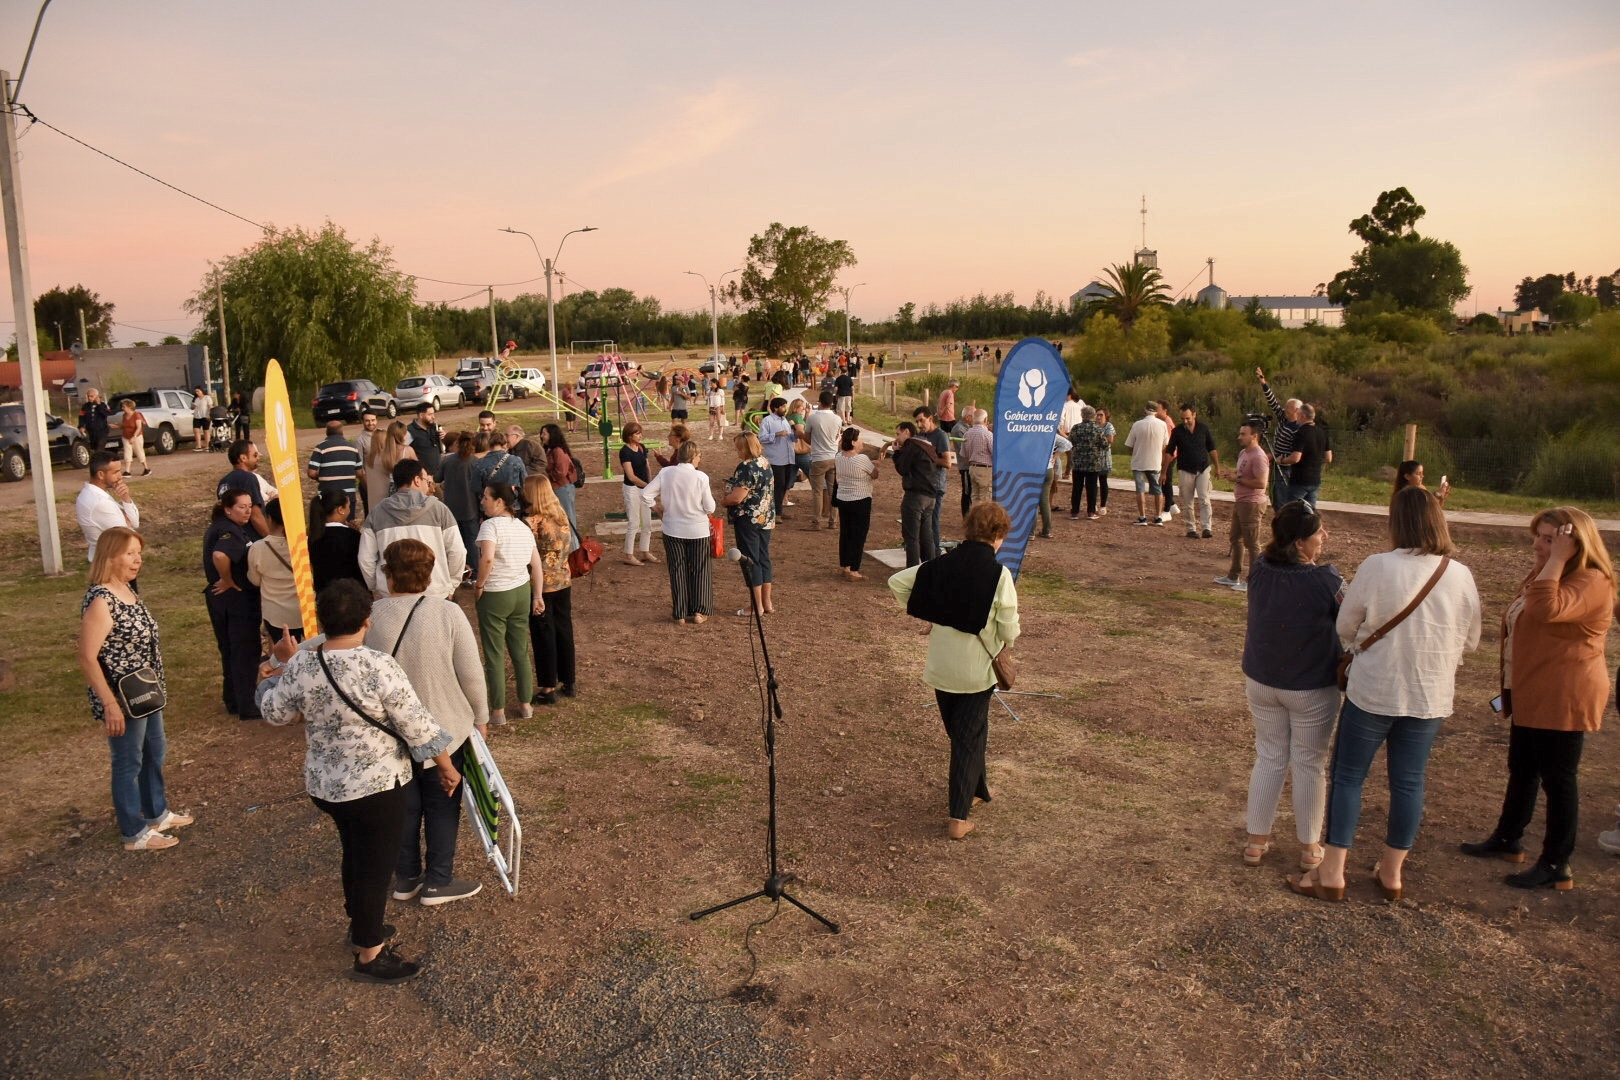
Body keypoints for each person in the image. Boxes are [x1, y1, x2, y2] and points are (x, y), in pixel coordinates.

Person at [256, 579, 459, 983]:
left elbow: (274, 713)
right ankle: (370, 953)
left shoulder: (302, 662)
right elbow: (416, 724)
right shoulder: (378, 666)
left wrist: (276, 666)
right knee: (374, 867)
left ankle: (361, 924)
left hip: (327, 785)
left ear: (323, 621)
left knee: (355, 852)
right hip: (376, 785)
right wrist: (447, 766)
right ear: (366, 621)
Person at [1289, 487, 1481, 902]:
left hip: (1376, 689)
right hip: (1429, 694)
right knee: (1409, 782)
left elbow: (1345, 625)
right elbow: (1471, 641)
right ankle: (1392, 872)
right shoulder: (1460, 574)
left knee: (1349, 777)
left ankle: (1334, 870)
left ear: (1398, 522)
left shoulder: (1378, 566)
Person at [1461, 507, 1616, 890]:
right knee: (1523, 768)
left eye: (1550, 539)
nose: (1539, 545)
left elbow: (1545, 609)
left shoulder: (1591, 580)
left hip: (1564, 694)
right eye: (1540, 537)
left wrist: (1557, 560)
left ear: (1575, 544)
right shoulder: (1550, 573)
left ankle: (1556, 863)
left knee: (1559, 780)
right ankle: (1508, 837)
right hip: (1533, 690)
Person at [363, 539, 488, 908]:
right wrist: (480, 718)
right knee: (443, 802)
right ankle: (439, 879)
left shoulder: (373, 615)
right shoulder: (448, 613)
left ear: (388, 574)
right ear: (430, 572)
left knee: (404, 804)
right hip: (445, 727)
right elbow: (471, 674)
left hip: (390, 732)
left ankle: (406, 876)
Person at [888, 501, 1021, 840]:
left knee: (967, 733)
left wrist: (933, 611)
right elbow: (1009, 629)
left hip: (942, 667)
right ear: (999, 535)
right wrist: (1005, 637)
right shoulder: (999, 575)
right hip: (976, 671)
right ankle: (958, 818)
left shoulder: (941, 564)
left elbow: (897, 583)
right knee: (967, 738)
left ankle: (978, 790)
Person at [1239, 501, 1343, 871]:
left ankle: (1256, 841)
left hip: (1262, 679)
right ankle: (1309, 847)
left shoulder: (1261, 569)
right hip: (1309, 685)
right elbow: (1349, 620)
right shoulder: (1326, 580)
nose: (1324, 537)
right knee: (1309, 762)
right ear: (1300, 543)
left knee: (1269, 755)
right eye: (1318, 532)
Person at [79, 526, 192, 852]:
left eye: (138, 553)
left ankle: (156, 812)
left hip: (146, 693)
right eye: (130, 554)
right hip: (123, 698)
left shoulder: (127, 590)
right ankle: (134, 832)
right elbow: (87, 657)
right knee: (128, 762)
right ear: (110, 557)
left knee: (155, 751)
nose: (137, 559)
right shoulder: (101, 599)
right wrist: (110, 704)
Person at [475, 481, 544, 725]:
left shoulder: (489, 526)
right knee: (520, 649)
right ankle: (526, 704)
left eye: (485, 497)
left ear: (499, 502)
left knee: (494, 653)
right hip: (521, 592)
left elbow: (488, 558)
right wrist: (538, 595)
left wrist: (480, 584)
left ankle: (498, 710)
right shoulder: (523, 526)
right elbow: (536, 564)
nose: (482, 501)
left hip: (496, 593)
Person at [360, 459, 467, 600]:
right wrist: (452, 585)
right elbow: (457, 551)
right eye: (426, 481)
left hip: (391, 593)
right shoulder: (440, 510)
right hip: (434, 591)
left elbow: (365, 558)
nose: (428, 485)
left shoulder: (376, 513)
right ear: (417, 480)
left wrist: (378, 586)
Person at [204, 488, 263, 720]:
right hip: (236, 601)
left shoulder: (225, 526)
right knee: (244, 651)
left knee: (229, 650)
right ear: (228, 509)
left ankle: (233, 700)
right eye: (242, 507)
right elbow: (220, 555)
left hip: (222, 601)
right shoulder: (229, 530)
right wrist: (228, 579)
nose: (248, 511)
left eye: (250, 506)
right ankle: (247, 705)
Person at [642, 440, 716, 624]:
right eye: (699, 456)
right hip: (697, 530)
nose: (700, 460)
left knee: (677, 570)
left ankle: (680, 613)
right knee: (700, 570)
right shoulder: (701, 477)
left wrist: (657, 509)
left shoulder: (666, 472)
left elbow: (646, 494)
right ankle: (700, 611)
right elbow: (709, 506)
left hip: (672, 528)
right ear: (693, 457)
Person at [521, 475, 580, 699]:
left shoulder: (531, 522)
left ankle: (548, 685)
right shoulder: (560, 515)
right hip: (563, 579)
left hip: (540, 584)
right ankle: (569, 679)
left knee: (543, 633)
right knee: (564, 629)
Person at [722, 431, 776, 615]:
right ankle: (767, 602)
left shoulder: (746, 467)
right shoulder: (764, 462)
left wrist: (725, 500)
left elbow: (737, 497)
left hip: (748, 518)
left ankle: (755, 605)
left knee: (750, 560)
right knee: (763, 558)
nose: (736, 451)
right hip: (765, 517)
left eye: (738, 447)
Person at [1217, 421, 1270, 591]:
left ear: (1254, 436)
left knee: (1252, 543)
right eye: (1240, 433)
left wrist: (1238, 479)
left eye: (1243, 434)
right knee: (1235, 538)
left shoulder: (1259, 456)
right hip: (1241, 502)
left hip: (1252, 504)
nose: (1239, 437)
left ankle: (1254, 581)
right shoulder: (1243, 453)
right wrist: (1231, 475)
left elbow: (1262, 483)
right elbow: (1242, 474)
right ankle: (1233, 576)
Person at [247, 499, 303, 644]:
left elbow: (255, 580)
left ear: (269, 518)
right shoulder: (303, 544)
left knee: (283, 656)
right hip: (303, 609)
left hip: (275, 613)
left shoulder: (258, 548)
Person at [889, 421, 939, 567]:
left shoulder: (911, 445)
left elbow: (903, 469)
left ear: (907, 432)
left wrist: (896, 452)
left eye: (898, 434)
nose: (897, 438)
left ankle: (911, 572)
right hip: (930, 497)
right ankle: (930, 570)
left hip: (915, 496)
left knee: (911, 537)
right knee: (926, 537)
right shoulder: (927, 445)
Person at [1166, 404, 1219, 540]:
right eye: (1182, 418)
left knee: (1204, 499)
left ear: (1194, 415)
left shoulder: (1203, 429)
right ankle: (1191, 528)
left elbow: (1212, 448)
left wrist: (1217, 467)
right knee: (1187, 501)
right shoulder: (1177, 431)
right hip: (1185, 469)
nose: (1185, 421)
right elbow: (1169, 452)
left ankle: (1207, 527)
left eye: (1188, 418)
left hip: (1203, 468)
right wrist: (1163, 471)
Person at [76, 452, 139, 563]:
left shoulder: (94, 494)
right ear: (101, 475)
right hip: (110, 564)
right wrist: (126, 520)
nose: (120, 476)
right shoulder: (99, 502)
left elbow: (134, 523)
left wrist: (126, 499)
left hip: (108, 560)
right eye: (115, 472)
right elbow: (126, 536)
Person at [834, 426, 877, 581]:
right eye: (859, 438)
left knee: (846, 533)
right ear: (853, 441)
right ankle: (854, 569)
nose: (862, 441)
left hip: (843, 499)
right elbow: (874, 474)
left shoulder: (839, 456)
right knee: (858, 535)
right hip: (860, 499)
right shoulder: (862, 459)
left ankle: (845, 566)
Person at [1256, 368, 1301, 508]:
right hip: (1276, 461)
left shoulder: (1297, 428)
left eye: (1288, 409)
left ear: (1296, 411)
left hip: (1285, 465)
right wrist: (1263, 382)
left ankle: (1282, 517)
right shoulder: (1284, 418)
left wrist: (1279, 457)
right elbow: (1273, 403)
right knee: (1275, 494)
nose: (1284, 411)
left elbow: (1297, 450)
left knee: (1281, 497)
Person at [308, 488, 364, 591]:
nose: (349, 510)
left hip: (324, 597)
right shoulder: (353, 536)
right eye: (348, 507)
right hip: (352, 595)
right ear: (340, 510)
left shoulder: (313, 536)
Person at [617, 420, 657, 566]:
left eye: (640, 433)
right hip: (632, 489)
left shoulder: (642, 447)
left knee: (647, 523)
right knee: (634, 522)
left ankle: (645, 551)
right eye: (637, 433)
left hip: (645, 489)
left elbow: (647, 467)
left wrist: (651, 484)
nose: (640, 436)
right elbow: (631, 476)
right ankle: (629, 554)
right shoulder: (625, 451)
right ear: (629, 435)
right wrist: (648, 486)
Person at [913, 406, 951, 556]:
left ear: (930, 419)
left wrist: (929, 457)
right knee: (922, 524)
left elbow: (947, 463)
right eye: (917, 422)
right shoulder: (920, 435)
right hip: (923, 486)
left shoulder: (940, 436)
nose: (919, 425)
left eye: (922, 421)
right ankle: (926, 554)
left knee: (932, 523)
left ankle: (935, 555)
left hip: (936, 486)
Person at [219, 439, 277, 537]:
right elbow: (255, 516)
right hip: (251, 538)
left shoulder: (223, 482)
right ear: (243, 458)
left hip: (232, 537)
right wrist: (269, 539)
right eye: (255, 455)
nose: (258, 458)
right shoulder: (248, 478)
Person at [1124, 403, 1169, 526]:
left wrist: (1134, 454)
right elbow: (1165, 445)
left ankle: (1142, 517)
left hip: (1139, 461)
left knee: (1140, 489)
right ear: (1156, 411)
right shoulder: (1162, 425)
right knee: (1157, 489)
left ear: (1145, 410)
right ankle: (1158, 517)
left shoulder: (1137, 425)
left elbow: (1130, 444)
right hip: (1155, 461)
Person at [307, 421, 363, 516]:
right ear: (342, 432)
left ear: (327, 432)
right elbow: (360, 473)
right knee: (347, 525)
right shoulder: (353, 448)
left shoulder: (320, 448)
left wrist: (320, 477)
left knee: (327, 526)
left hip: (327, 496)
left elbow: (311, 472)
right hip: (348, 496)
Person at [1281, 404, 1331, 509]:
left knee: (1291, 511)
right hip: (1315, 480)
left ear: (1303, 415)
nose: (1296, 417)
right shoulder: (1322, 432)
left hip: (1299, 480)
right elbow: (1328, 458)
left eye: (1298, 414)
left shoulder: (1301, 432)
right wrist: (1314, 460)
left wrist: (1282, 460)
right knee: (1309, 513)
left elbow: (1295, 458)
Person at [758, 398, 796, 520]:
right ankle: (775, 513)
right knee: (778, 486)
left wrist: (795, 435)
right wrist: (776, 434)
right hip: (776, 459)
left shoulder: (785, 420)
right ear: (775, 408)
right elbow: (762, 438)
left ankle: (779, 510)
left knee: (785, 485)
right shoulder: (767, 421)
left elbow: (790, 437)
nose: (785, 409)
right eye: (783, 407)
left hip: (788, 458)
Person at [365, 420, 417, 511]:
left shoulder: (381, 454)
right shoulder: (407, 450)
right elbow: (418, 468)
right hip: (404, 488)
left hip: (388, 490)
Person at [1067, 406, 1108, 521]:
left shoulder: (1076, 428)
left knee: (1076, 488)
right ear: (1093, 415)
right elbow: (1105, 445)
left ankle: (1074, 512)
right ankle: (1091, 512)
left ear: (1082, 415)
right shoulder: (1098, 429)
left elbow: (1070, 442)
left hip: (1078, 463)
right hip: (1093, 463)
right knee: (1092, 488)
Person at [540, 423, 580, 531]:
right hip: (556, 487)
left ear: (552, 435)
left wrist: (546, 476)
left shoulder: (558, 451)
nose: (541, 436)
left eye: (544, 433)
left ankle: (574, 546)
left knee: (568, 519)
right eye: (542, 433)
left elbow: (561, 472)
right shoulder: (549, 450)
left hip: (562, 488)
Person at [1034, 430, 1073, 539]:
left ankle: (1031, 532)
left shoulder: (1029, 432)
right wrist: (1055, 457)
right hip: (1048, 468)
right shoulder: (1049, 433)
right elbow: (1067, 444)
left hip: (1033, 469)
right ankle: (1047, 530)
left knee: (1033, 500)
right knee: (1045, 500)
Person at [961, 408, 994, 508]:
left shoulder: (966, 434)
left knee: (975, 498)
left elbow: (964, 455)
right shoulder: (988, 435)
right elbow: (995, 454)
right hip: (985, 469)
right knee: (985, 501)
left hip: (972, 468)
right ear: (985, 420)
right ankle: (983, 523)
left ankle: (975, 521)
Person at [408, 406, 444, 478]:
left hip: (439, 473)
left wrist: (444, 436)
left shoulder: (435, 427)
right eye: (430, 414)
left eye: (433, 414)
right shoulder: (410, 431)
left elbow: (443, 447)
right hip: (424, 476)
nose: (433, 417)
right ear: (421, 415)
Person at [118, 398, 150, 476]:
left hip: (136, 436)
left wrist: (134, 436)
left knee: (139, 451)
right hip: (126, 436)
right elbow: (124, 425)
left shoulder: (136, 415)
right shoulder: (124, 415)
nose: (122, 408)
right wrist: (116, 426)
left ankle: (146, 468)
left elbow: (139, 427)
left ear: (129, 407)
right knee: (127, 452)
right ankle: (127, 471)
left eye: (124, 406)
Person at [1094, 407, 1116, 516]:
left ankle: (1103, 505)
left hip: (1104, 459)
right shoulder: (1093, 426)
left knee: (1103, 482)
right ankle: (1092, 503)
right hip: (1093, 458)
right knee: (1092, 482)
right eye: (1097, 415)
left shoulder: (1108, 426)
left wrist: (1097, 440)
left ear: (1106, 416)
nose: (1098, 417)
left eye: (1101, 415)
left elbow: (1110, 439)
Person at [190, 387, 213, 452]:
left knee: (206, 431)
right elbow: (192, 408)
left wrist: (210, 414)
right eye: (196, 392)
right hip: (197, 416)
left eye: (198, 391)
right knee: (196, 430)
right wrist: (193, 405)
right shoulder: (196, 399)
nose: (197, 393)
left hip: (205, 416)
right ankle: (199, 445)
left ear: (202, 391)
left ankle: (207, 446)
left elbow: (210, 406)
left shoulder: (207, 397)